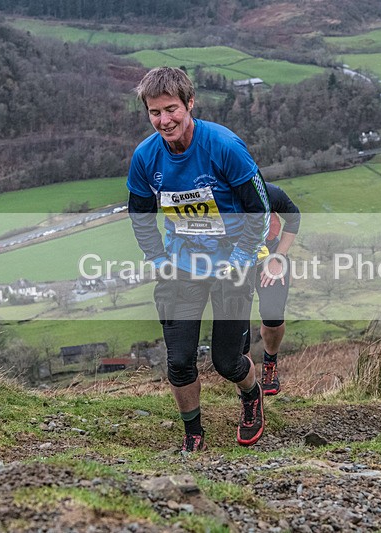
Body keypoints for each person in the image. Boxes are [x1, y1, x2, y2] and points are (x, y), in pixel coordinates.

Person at [127, 67, 271, 452]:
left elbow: (260, 210)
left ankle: (251, 395)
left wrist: (241, 258)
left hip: (231, 265)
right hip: (181, 267)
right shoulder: (145, 157)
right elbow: (140, 214)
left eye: (171, 109)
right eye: (155, 112)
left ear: (190, 103)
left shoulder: (224, 146)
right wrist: (157, 258)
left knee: (227, 362)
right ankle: (193, 434)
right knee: (179, 362)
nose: (164, 120)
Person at [241, 182, 301, 396]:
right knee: (237, 322)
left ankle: (270, 365)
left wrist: (278, 257)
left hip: (270, 256)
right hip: (235, 263)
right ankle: (244, 377)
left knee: (273, 315)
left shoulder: (269, 192)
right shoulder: (217, 196)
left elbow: (294, 218)